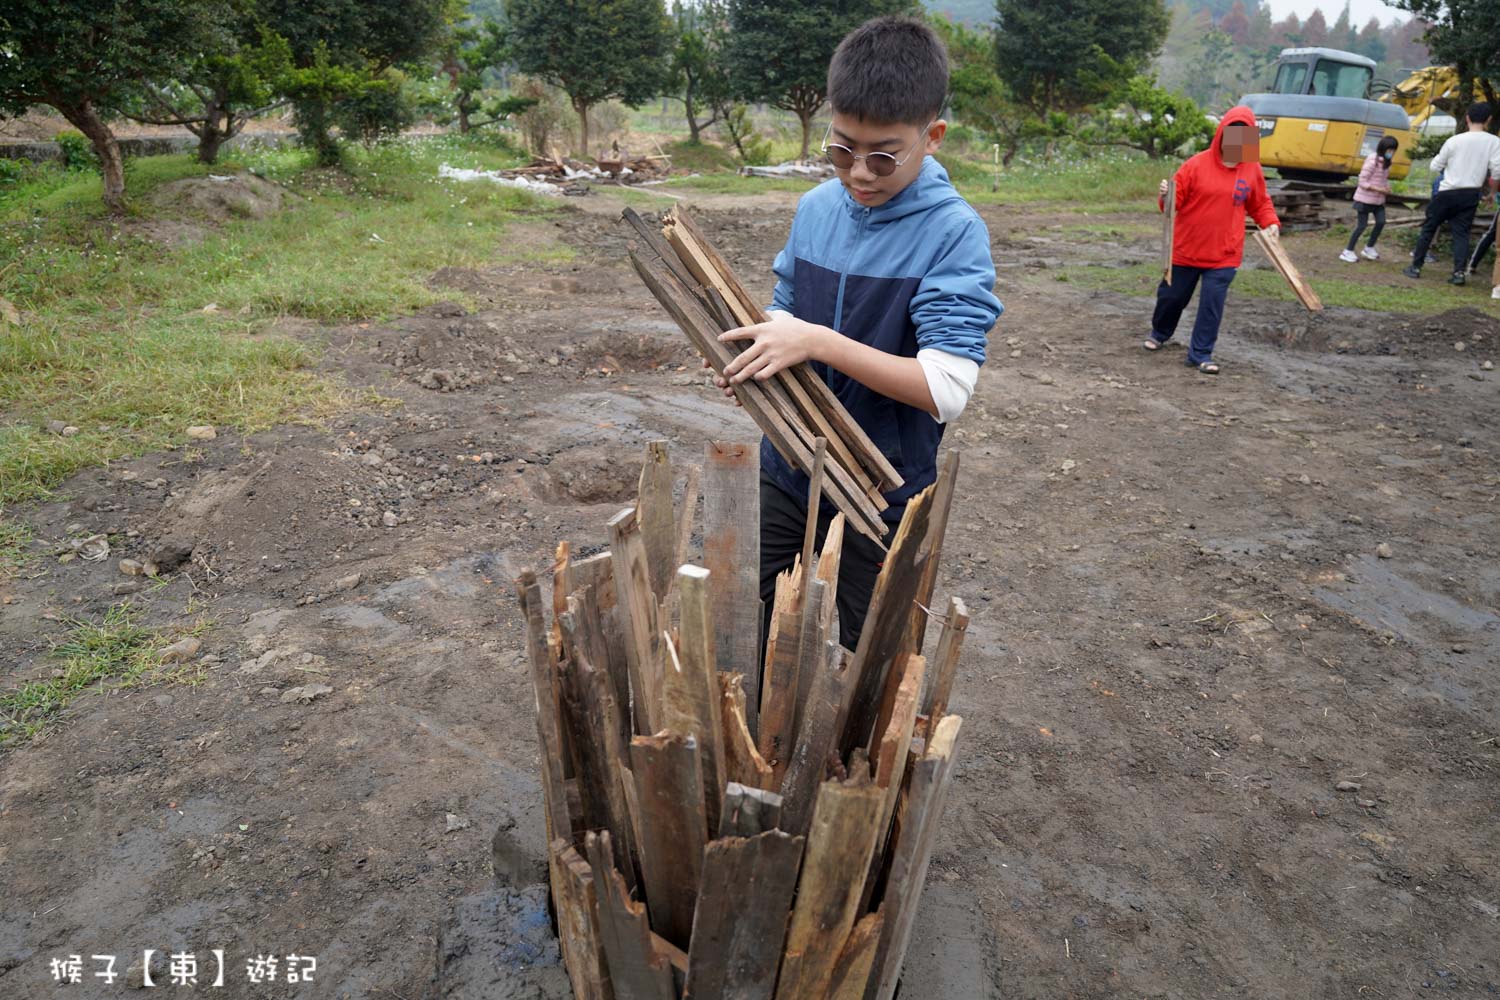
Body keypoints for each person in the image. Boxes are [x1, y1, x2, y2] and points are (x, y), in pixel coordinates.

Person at [711, 16, 1001, 651]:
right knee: (752, 623)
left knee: (867, 651)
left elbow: (945, 388)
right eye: (842, 149)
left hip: (883, 488)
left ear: (933, 138)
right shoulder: (816, 209)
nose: (860, 172)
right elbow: (784, 311)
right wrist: (762, 360)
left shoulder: (953, 233)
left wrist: (816, 342)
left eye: (883, 155)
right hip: (788, 466)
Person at [1145, 107, 1281, 375]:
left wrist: (1271, 223)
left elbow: (1260, 202)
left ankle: (1201, 354)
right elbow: (1172, 205)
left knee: (1211, 306)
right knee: (1171, 298)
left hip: (1224, 254)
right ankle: (1160, 332)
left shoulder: (1251, 168)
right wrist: (1166, 194)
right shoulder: (1195, 165)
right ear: (1222, 134)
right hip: (1187, 249)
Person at [1403, 102, 1500, 285]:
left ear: (1467, 118)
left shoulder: (1454, 140)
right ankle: (1458, 274)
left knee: (1429, 228)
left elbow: (1435, 166)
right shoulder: (1494, 142)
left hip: (1447, 192)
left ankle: (1415, 267)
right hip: (1471, 194)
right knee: (1461, 234)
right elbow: (1497, 172)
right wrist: (1492, 193)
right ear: (1489, 120)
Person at [1341, 136, 1398, 262]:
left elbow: (1382, 180)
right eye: (1390, 150)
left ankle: (1369, 248)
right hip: (1364, 199)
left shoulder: (1387, 163)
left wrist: (1386, 187)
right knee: (1362, 226)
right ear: (1383, 148)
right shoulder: (1372, 161)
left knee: (1381, 222)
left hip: (1378, 200)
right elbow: (1362, 181)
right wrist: (1379, 189)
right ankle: (1347, 251)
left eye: (1393, 150)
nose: (1391, 153)